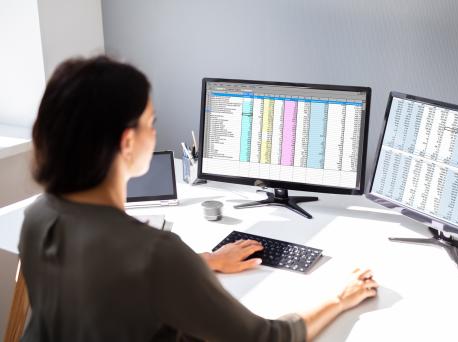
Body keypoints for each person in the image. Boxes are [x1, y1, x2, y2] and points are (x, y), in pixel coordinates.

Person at [18, 56, 379, 342]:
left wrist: (205, 261)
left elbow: (110, 284)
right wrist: (340, 297)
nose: (156, 132)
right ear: (127, 142)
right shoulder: (157, 254)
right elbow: (265, 338)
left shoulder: (38, 218)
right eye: (152, 121)